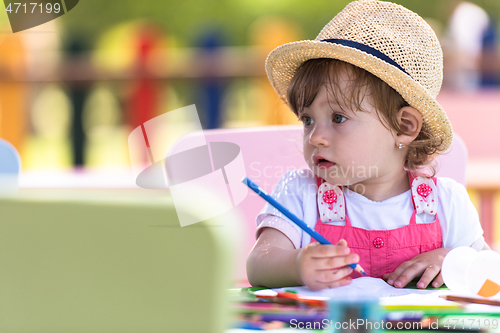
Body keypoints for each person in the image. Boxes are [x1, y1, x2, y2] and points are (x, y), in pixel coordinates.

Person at [246, 0, 489, 291]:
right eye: (308, 120)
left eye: (338, 118)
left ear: (404, 127)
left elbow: (490, 278)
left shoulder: (447, 203)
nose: (315, 137)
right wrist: (297, 265)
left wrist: (452, 260)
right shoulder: (300, 193)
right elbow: (259, 265)